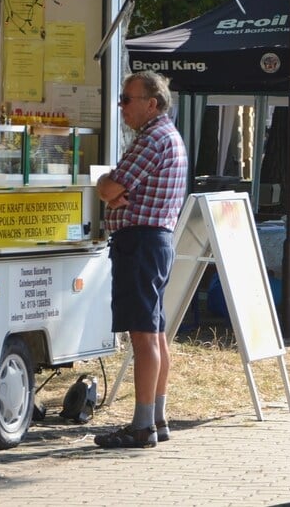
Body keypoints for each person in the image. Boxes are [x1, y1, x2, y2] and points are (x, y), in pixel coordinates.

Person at [94, 71, 188, 448]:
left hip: (141, 243)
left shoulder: (152, 138)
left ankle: (142, 426)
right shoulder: (167, 135)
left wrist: (106, 189)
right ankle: (157, 418)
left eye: (127, 99)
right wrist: (113, 192)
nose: (121, 106)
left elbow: (112, 186)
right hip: (154, 241)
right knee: (155, 333)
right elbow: (119, 189)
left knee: (143, 335)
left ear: (152, 103)